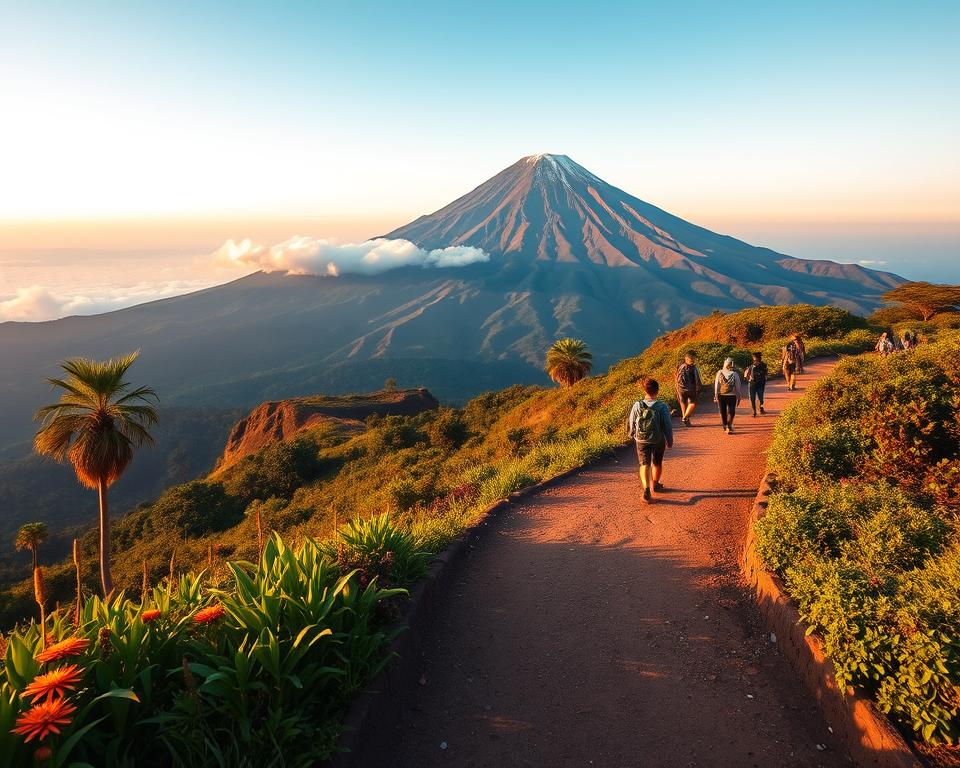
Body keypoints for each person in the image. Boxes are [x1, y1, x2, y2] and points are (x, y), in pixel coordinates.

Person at [628, 378, 674, 503]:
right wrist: (669, 440)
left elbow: (631, 422)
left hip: (641, 439)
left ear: (644, 390)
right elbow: (667, 425)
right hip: (658, 439)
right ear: (657, 390)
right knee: (657, 462)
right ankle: (655, 484)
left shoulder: (637, 405)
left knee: (644, 463)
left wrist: (632, 434)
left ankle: (646, 489)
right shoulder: (662, 406)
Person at [713, 358, 743, 434]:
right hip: (732, 395)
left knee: (723, 411)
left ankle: (726, 425)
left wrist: (716, 394)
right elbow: (738, 386)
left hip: (721, 395)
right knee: (732, 411)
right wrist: (739, 396)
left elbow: (716, 385)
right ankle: (728, 424)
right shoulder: (734, 374)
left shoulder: (719, 373)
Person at [675, 350, 702, 427]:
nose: (693, 360)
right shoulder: (692, 368)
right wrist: (698, 388)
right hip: (690, 389)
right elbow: (697, 379)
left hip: (680, 388)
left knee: (683, 403)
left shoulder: (680, 366)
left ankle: (686, 421)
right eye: (692, 358)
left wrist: (677, 388)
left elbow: (676, 378)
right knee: (693, 402)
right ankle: (685, 418)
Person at [745, 351, 769, 417]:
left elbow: (766, 374)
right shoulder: (751, 365)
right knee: (752, 398)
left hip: (760, 383)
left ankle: (760, 408)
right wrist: (749, 380)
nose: (754, 359)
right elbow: (746, 374)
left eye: (755, 358)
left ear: (759, 358)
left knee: (760, 398)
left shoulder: (763, 365)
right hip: (753, 383)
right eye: (754, 358)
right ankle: (754, 411)